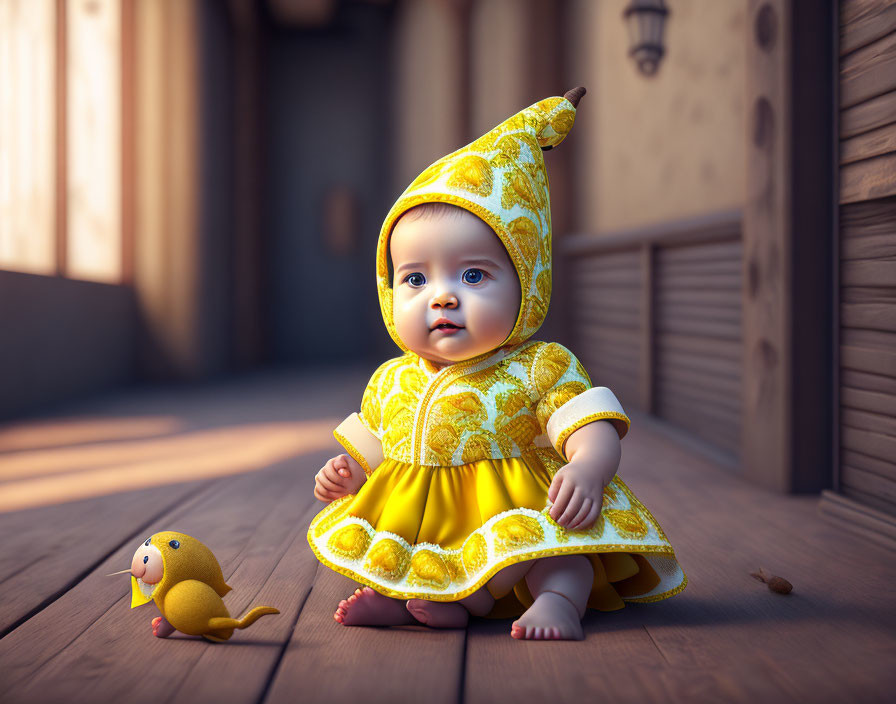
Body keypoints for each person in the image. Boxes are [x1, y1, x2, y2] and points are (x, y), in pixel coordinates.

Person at [307, 88, 686, 640]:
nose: (441, 297)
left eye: (473, 276)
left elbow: (591, 427)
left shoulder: (537, 367)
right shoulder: (393, 378)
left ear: (526, 285)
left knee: (558, 556)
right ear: (390, 291)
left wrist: (585, 467)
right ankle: (416, 601)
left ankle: (557, 602)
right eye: (416, 279)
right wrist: (346, 474)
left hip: (522, 515)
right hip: (430, 523)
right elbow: (376, 447)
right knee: (400, 556)